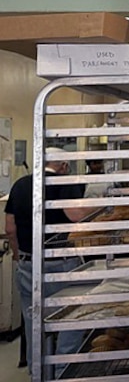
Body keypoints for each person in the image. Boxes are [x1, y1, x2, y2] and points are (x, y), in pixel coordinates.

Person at [4, 146, 90, 375]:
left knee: (35, 325)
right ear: (63, 165)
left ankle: (38, 375)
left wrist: (19, 256)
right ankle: (63, 372)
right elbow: (75, 215)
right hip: (61, 263)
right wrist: (106, 204)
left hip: (27, 263)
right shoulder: (65, 182)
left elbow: (9, 228)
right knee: (70, 320)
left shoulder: (19, 185)